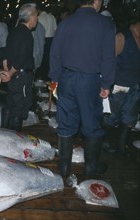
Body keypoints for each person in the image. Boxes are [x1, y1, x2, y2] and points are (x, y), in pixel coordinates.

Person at [49, 0, 115, 176]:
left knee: (66, 122)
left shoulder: (66, 22)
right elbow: (108, 56)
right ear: (96, 1)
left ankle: (64, 167)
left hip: (66, 78)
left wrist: (55, 78)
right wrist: (107, 84)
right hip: (90, 80)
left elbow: (55, 53)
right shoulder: (105, 23)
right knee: (91, 123)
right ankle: (90, 167)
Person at [102, 18, 140, 157]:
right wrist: (105, 83)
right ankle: (104, 142)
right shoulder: (122, 36)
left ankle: (121, 146)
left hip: (136, 86)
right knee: (111, 117)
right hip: (119, 85)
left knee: (129, 118)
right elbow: (108, 60)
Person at [0, 3, 38, 132]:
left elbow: (4, 52)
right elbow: (20, 60)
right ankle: (13, 141)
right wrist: (9, 73)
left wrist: (6, 70)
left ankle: (4, 134)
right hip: (20, 77)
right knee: (19, 109)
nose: (36, 19)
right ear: (31, 17)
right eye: (36, 16)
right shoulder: (26, 34)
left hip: (14, 77)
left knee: (10, 105)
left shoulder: (14, 31)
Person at [36, 3, 57, 80]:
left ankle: (40, 76)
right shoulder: (52, 17)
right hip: (51, 40)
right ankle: (48, 76)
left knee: (41, 57)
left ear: (38, 10)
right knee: (49, 58)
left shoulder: (39, 18)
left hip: (42, 39)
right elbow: (55, 29)